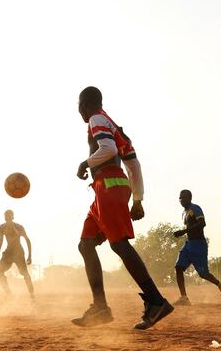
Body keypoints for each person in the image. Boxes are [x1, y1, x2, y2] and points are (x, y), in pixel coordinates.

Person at [72, 86, 173, 330]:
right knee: (86, 244)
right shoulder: (113, 125)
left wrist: (85, 163)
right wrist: (137, 198)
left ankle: (156, 301)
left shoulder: (96, 119)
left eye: (79, 105)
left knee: (119, 244)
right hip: (107, 188)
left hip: (108, 186)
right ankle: (100, 307)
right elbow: (133, 163)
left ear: (84, 104)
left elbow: (109, 150)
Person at [173, 190, 221, 305]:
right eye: (179, 198)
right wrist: (184, 233)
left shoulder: (195, 208)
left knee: (203, 274)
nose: (181, 200)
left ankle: (220, 284)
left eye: (183, 198)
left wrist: (183, 231)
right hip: (188, 244)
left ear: (189, 198)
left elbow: (202, 223)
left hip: (199, 245)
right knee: (178, 267)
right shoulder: (184, 212)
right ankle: (184, 298)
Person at [0, 210, 34, 300]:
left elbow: (27, 240)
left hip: (18, 252)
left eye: (8, 216)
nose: (6, 217)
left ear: (12, 217)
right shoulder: (2, 227)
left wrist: (30, 255)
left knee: (24, 273)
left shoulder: (19, 227)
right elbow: (1, 241)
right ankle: (9, 294)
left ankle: (32, 295)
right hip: (8, 252)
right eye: (5, 216)